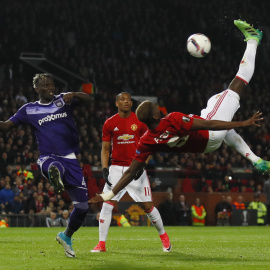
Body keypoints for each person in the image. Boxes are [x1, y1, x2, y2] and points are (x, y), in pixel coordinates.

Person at [89, 20, 267, 206]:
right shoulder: (172, 119)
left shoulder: (147, 140)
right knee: (237, 83)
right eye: (156, 108)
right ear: (156, 116)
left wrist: (109, 195)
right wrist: (243, 123)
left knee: (214, 102)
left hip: (206, 147)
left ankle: (256, 160)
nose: (159, 108)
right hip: (210, 132)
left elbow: (130, 173)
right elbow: (210, 124)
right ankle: (253, 40)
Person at [0, 73, 91, 258]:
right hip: (48, 157)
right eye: (46, 85)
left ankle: (66, 236)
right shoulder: (29, 110)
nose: (51, 88)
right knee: (53, 166)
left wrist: (73, 94)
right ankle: (53, 173)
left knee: (82, 208)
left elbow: (89, 99)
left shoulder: (62, 100)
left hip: (71, 158)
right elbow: (7, 126)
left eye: (52, 84)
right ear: (37, 89)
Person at [91, 92, 171, 253]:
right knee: (107, 205)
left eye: (128, 99)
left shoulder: (140, 121)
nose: (126, 101)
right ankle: (101, 244)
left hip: (135, 166)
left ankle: (164, 238)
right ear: (116, 104)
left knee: (147, 206)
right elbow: (105, 148)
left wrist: (143, 165)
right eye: (122, 99)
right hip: (115, 169)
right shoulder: (109, 123)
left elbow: (149, 145)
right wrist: (105, 168)